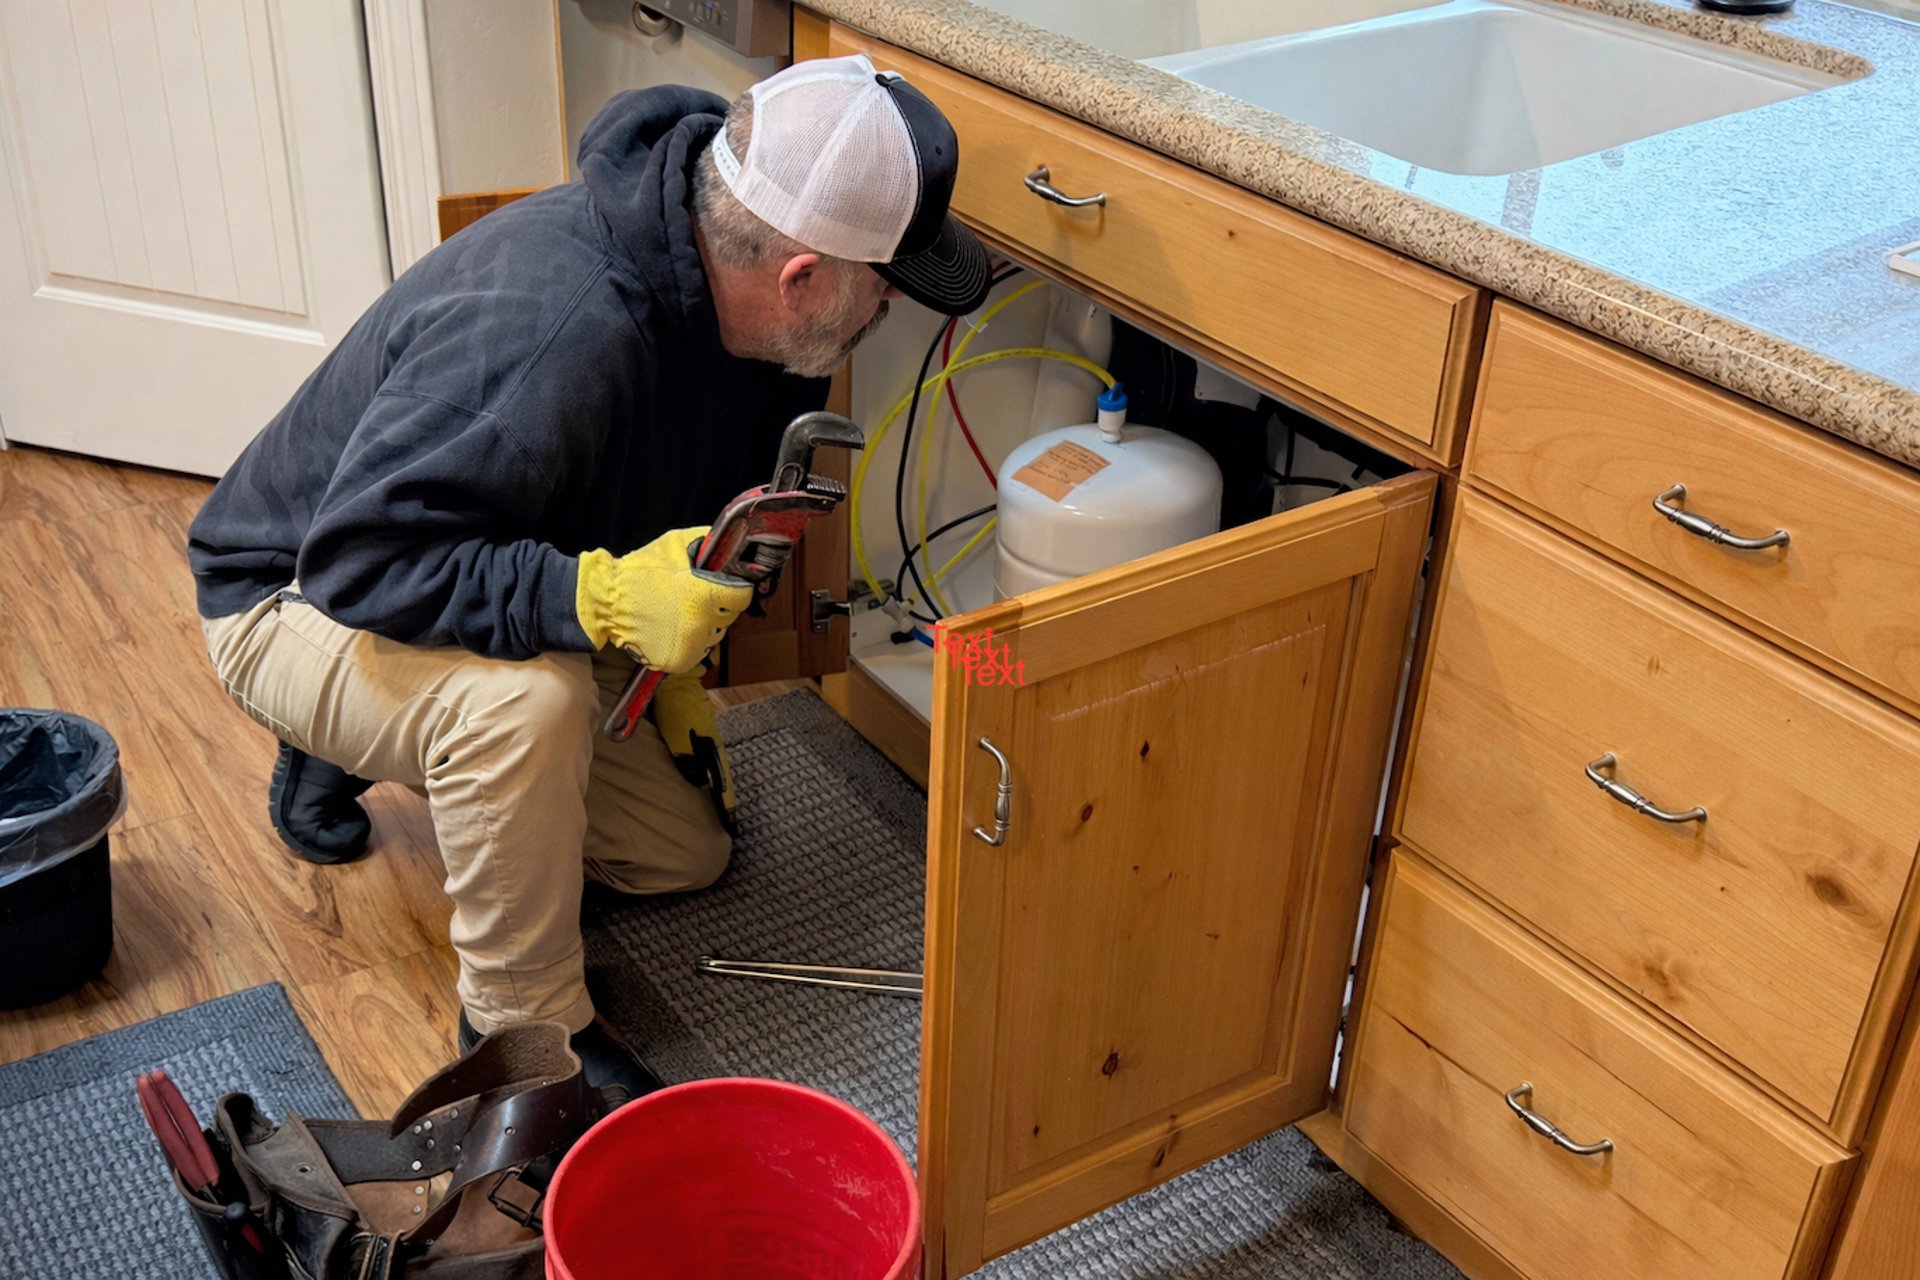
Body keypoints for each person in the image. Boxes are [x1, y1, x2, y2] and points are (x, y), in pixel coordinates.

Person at [186, 54, 990, 1098]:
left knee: (682, 851)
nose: (887, 309)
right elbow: (360, 559)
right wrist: (601, 601)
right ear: (800, 275)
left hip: (458, 561)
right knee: (526, 708)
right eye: (883, 287)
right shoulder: (553, 326)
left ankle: (388, 739)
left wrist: (683, 658)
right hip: (292, 590)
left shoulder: (748, 312)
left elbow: (664, 507)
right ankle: (524, 1041)